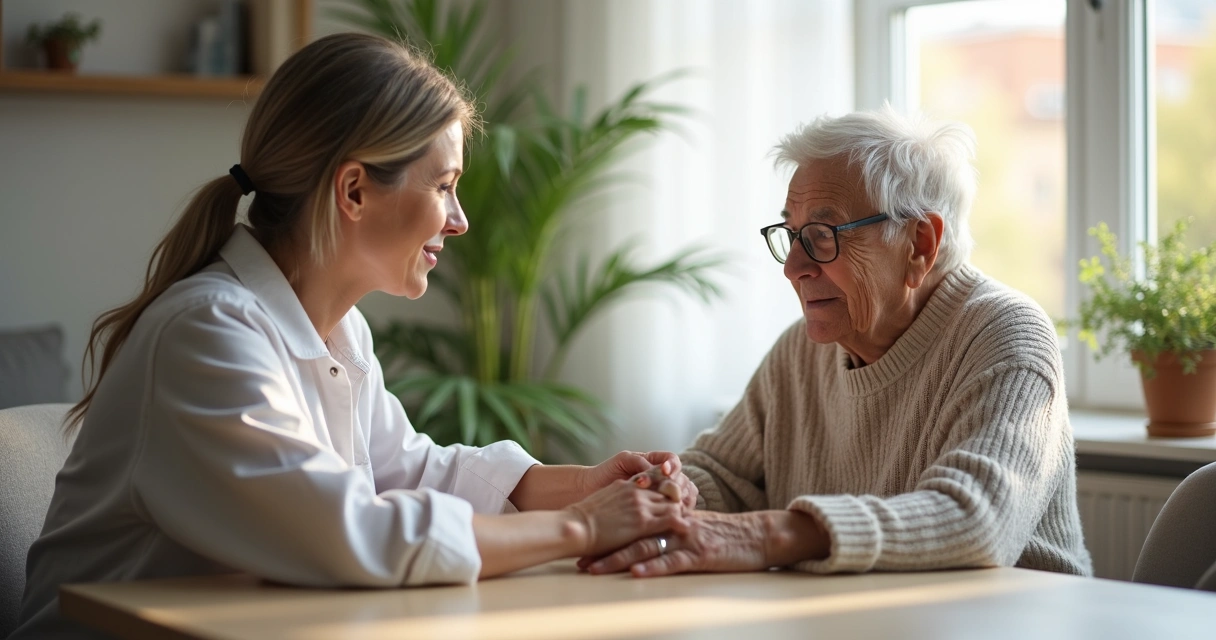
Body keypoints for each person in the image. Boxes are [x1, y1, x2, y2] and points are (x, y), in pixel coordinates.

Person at [12, 33, 695, 639]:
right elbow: (350, 534)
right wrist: (585, 525)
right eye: (444, 186)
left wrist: (582, 485)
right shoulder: (206, 332)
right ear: (354, 191)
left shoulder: (339, 330)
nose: (459, 220)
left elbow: (411, 470)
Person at [581, 107, 1092, 578]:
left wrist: (763, 535)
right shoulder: (801, 353)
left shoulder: (1005, 335)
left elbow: (974, 520)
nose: (793, 267)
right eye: (791, 233)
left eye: (823, 234)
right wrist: (673, 491)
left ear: (919, 244)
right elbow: (721, 475)